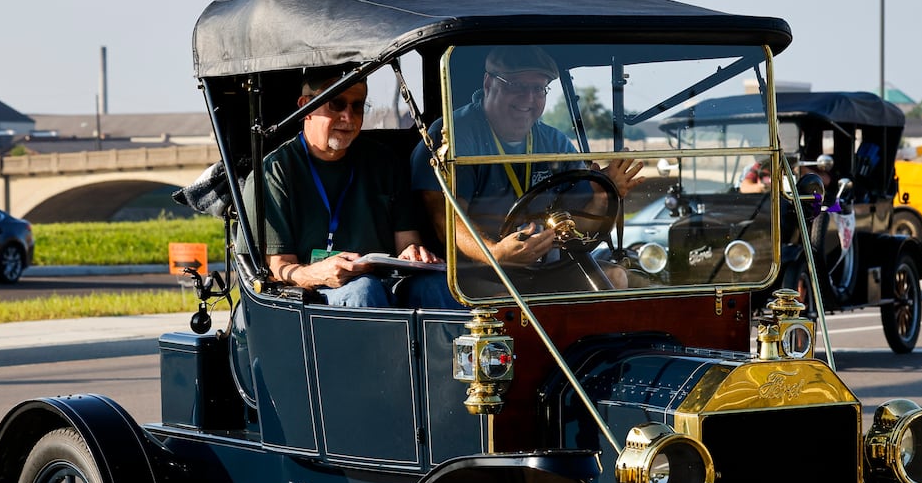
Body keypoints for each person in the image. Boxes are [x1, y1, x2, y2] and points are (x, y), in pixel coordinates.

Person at [409, 45, 645, 293]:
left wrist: (601, 196)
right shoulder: (453, 137)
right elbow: (446, 222)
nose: (528, 99)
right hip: (478, 272)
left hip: (543, 269)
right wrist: (496, 253)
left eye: (538, 89)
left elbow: (575, 230)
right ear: (488, 84)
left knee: (616, 277)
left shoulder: (554, 143)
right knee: (509, 306)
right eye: (516, 86)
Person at [248, 66, 456, 308]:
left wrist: (413, 252)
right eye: (336, 104)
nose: (348, 117)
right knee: (364, 290)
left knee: (439, 285)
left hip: (386, 283)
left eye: (357, 106)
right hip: (316, 294)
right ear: (306, 107)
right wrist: (320, 273)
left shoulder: (384, 162)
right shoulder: (275, 172)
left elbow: (407, 241)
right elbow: (280, 269)